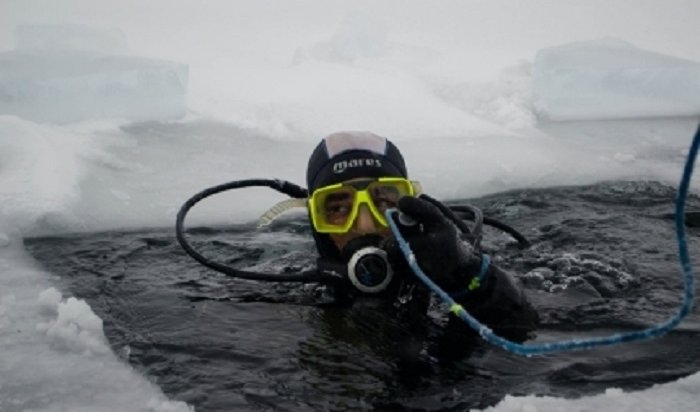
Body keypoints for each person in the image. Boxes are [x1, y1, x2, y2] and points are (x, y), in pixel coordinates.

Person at [306, 131, 539, 340]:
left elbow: (524, 332)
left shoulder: (449, 273)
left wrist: (466, 274)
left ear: (409, 209)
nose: (366, 226)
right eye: (338, 209)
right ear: (317, 225)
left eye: (383, 202)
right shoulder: (294, 293)